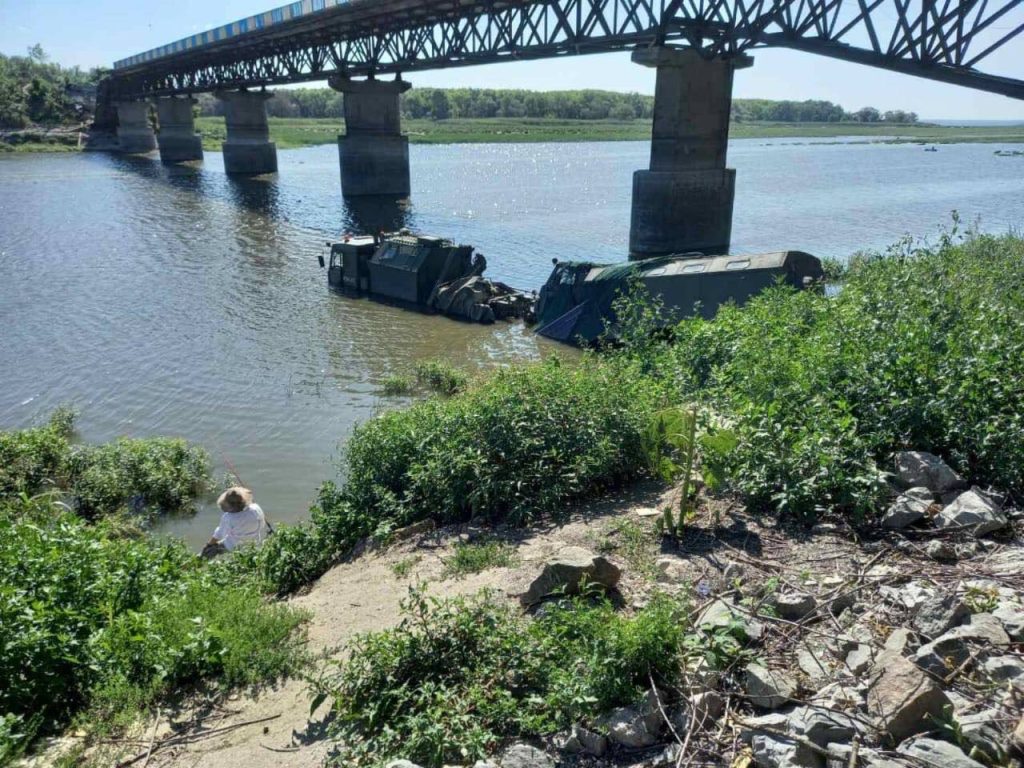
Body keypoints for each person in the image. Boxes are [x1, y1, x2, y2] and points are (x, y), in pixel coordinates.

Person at [201, 486, 271, 559]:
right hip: (255, 542)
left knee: (208, 551)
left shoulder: (229, 517)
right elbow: (262, 524)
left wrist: (209, 544)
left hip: (234, 545)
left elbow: (221, 533)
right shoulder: (256, 508)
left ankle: (198, 562)